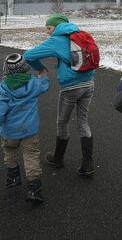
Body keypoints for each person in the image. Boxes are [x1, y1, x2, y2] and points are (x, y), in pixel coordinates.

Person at [23, 13, 96, 176]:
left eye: (48, 28)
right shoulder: (79, 34)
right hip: (89, 83)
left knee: (62, 122)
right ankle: (88, 164)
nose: (47, 32)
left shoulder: (56, 40)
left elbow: (28, 56)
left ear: (56, 27)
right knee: (83, 121)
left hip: (71, 87)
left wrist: (40, 68)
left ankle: (58, 158)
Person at [0, 53, 50, 203]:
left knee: (10, 153)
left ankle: (13, 177)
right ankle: (34, 189)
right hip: (30, 131)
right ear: (25, 69)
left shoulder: (2, 89)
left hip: (9, 133)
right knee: (31, 156)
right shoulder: (34, 84)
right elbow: (44, 83)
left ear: (6, 70)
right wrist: (42, 72)